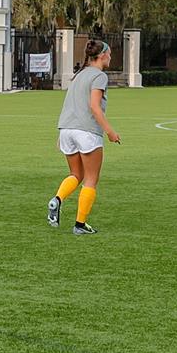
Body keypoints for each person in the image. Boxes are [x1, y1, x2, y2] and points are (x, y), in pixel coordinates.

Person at [47, 37, 121, 235]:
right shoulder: (99, 76)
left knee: (76, 174)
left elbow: (69, 105)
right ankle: (80, 225)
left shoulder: (78, 76)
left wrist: (62, 132)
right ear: (102, 55)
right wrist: (110, 132)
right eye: (110, 54)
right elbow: (95, 108)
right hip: (87, 132)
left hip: (66, 130)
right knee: (90, 179)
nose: (111, 57)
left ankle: (57, 199)